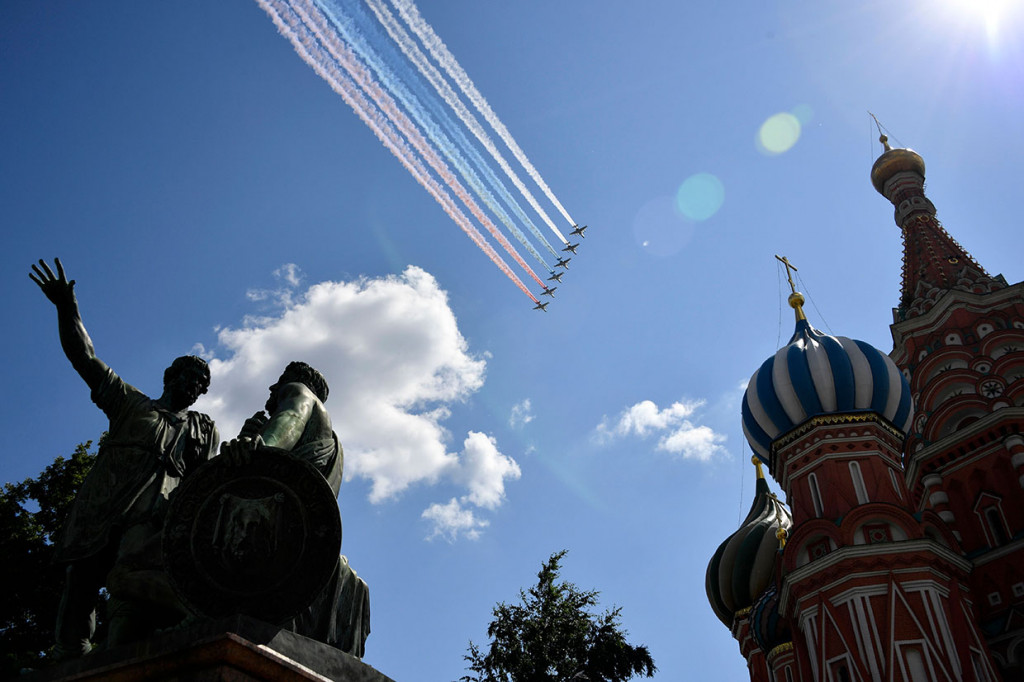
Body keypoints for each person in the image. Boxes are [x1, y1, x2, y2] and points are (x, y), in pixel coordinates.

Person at [30, 258, 219, 657]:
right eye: (191, 377)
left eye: (203, 384)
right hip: (103, 504)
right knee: (80, 581)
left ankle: (125, 648)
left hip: (151, 516)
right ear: (171, 376)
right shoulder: (131, 404)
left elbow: (206, 481)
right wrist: (68, 308)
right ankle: (71, 654)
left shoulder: (202, 428)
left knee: (133, 575)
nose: (197, 386)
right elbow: (85, 356)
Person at [222, 361, 370, 657]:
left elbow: (289, 420)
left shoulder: (300, 393)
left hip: (275, 531)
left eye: (279, 381)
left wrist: (257, 445)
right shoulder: (335, 442)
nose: (272, 388)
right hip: (312, 544)